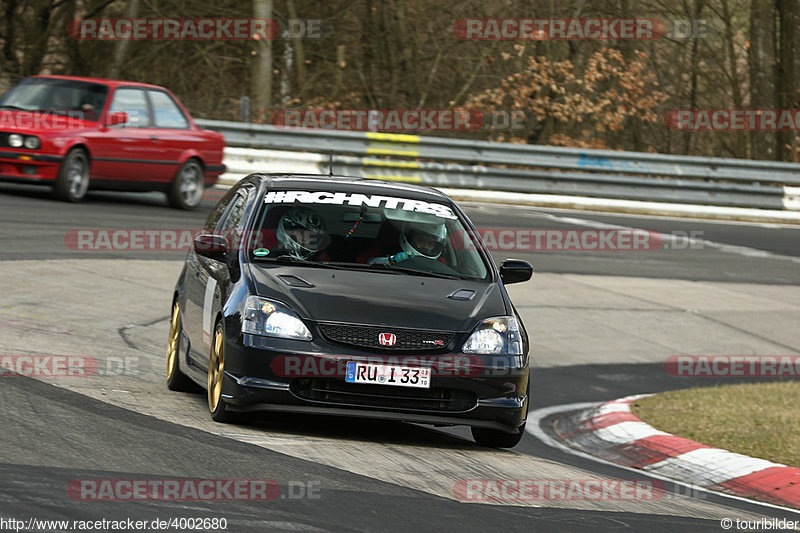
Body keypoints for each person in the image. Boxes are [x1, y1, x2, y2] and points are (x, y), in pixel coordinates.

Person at [368, 221, 447, 265]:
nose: (426, 246)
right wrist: (390, 261)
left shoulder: (440, 264)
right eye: (421, 241)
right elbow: (370, 263)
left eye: (430, 243)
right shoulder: (390, 252)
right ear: (409, 238)